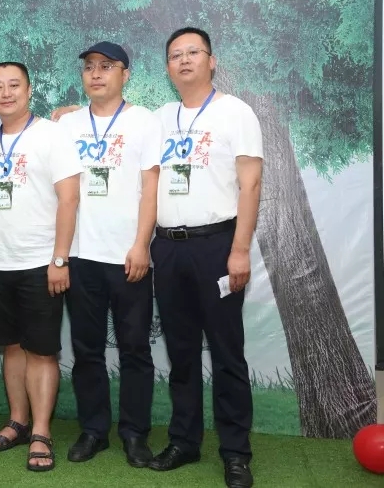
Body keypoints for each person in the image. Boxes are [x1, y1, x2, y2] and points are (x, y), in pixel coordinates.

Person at [148, 27, 262, 488]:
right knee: (181, 352)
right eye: (176, 54)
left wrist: (240, 250)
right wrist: (68, 113)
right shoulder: (160, 117)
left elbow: (250, 184)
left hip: (218, 245)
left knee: (227, 353)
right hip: (167, 246)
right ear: (168, 67)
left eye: (193, 52)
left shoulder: (236, 112)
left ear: (211, 61)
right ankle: (184, 441)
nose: (184, 60)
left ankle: (235, 453)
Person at [54, 42, 162, 466]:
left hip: (128, 256)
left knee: (135, 349)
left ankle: (134, 434)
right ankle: (94, 431)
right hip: (81, 256)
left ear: (125, 74)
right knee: (87, 350)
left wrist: (141, 245)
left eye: (106, 66)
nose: (96, 73)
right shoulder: (67, 125)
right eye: (89, 67)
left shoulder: (144, 122)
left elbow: (151, 189)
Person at [0, 62, 82, 472]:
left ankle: (41, 432)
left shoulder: (52, 135)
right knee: (12, 347)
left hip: (40, 263)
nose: (6, 93)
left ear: (29, 90)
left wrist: (59, 259)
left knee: (41, 350)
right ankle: (17, 422)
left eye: (14, 85)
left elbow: (69, 199)